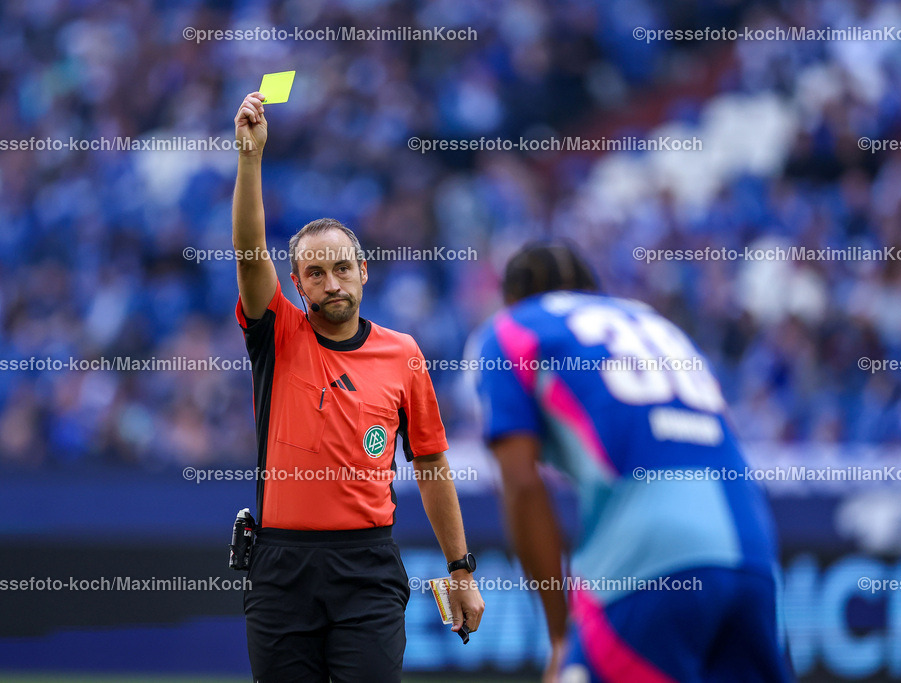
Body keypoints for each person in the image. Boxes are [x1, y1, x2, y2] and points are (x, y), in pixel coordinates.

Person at [231, 91, 484, 682]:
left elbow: (432, 463)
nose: (331, 282)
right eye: (314, 273)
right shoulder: (279, 335)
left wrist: (461, 570)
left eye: (342, 267)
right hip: (280, 570)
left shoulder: (404, 353)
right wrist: (250, 159)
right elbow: (248, 254)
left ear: (364, 270)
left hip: (366, 569)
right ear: (295, 284)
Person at [470, 242, 791, 682]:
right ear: (593, 290)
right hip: (751, 546)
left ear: (511, 298)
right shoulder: (659, 325)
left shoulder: (511, 329)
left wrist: (561, 634)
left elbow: (521, 484)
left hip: (648, 557)